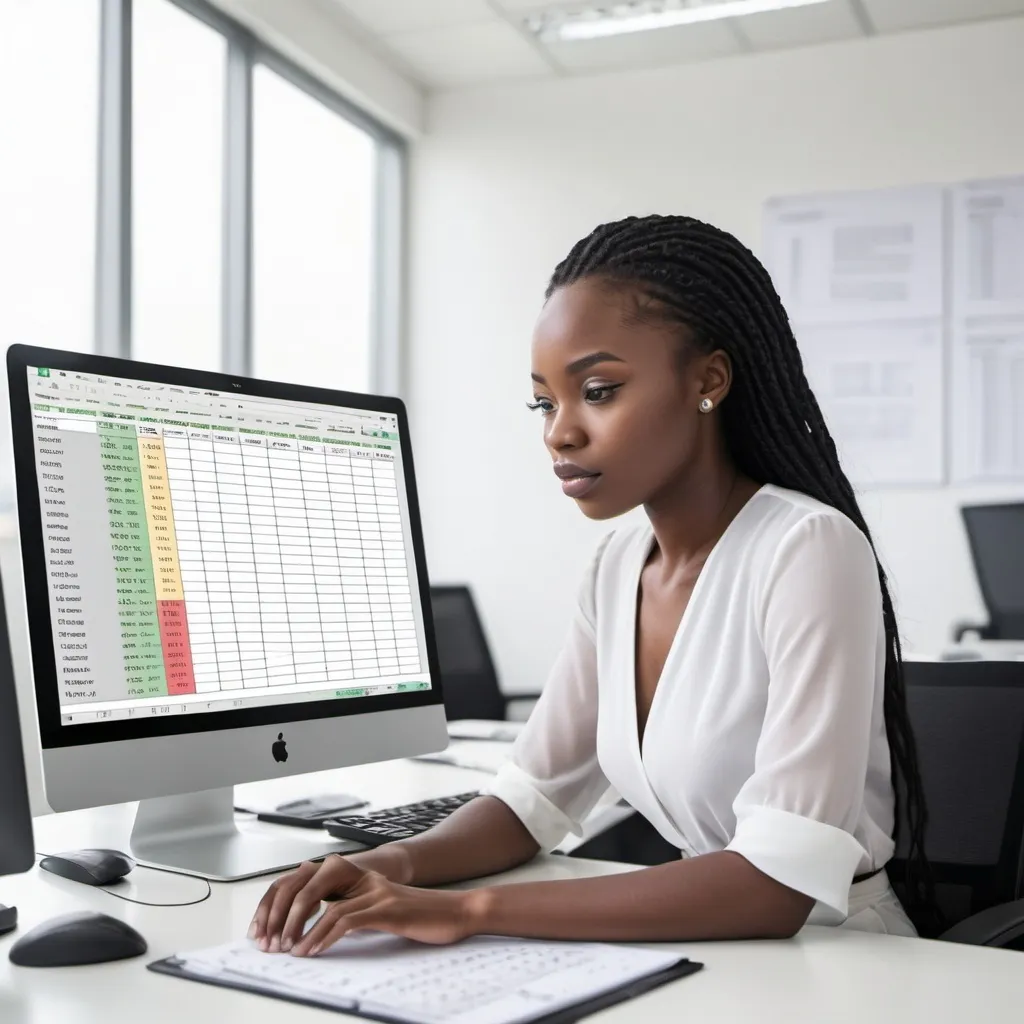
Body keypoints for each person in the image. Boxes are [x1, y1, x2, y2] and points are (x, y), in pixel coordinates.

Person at [250, 215, 928, 956]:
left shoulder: (808, 550)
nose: (559, 432)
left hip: (839, 959)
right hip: (710, 951)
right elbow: (531, 799)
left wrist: (471, 911)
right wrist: (383, 863)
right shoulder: (616, 566)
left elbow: (775, 883)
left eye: (598, 391)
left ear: (709, 381)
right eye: (545, 401)